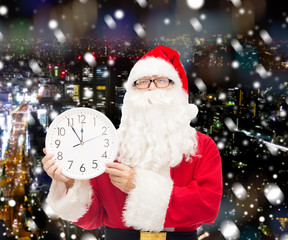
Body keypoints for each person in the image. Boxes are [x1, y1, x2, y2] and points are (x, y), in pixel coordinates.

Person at [42, 46, 223, 240]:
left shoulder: (203, 146)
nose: (152, 87)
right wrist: (69, 182)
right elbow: (92, 219)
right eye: (142, 82)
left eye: (162, 80)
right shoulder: (108, 145)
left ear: (178, 91)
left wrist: (139, 186)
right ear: (130, 95)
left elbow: (207, 207)